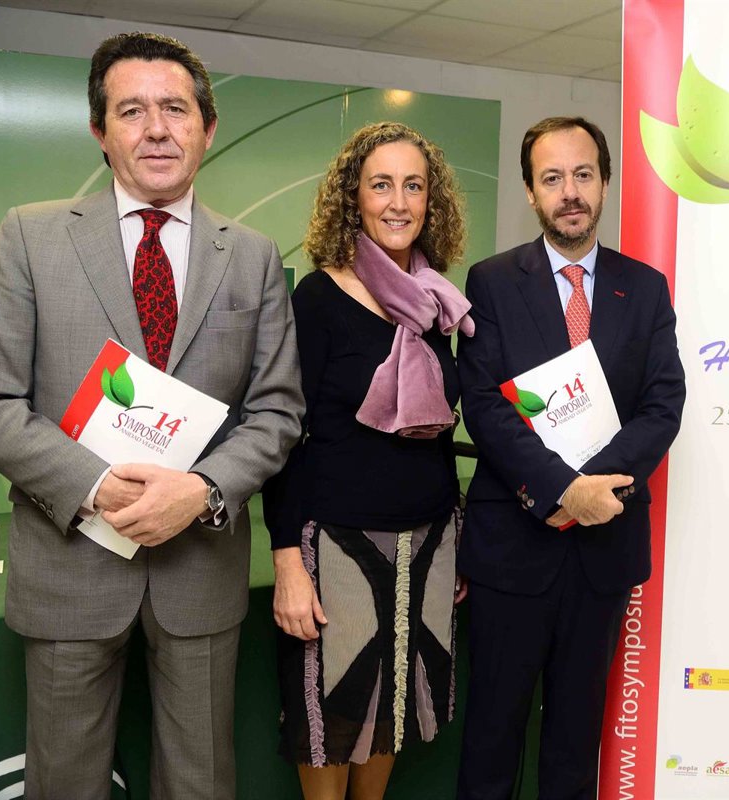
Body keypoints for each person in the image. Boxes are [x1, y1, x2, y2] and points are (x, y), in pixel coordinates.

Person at [0, 31, 304, 800]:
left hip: (199, 571)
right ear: (99, 131)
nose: (157, 129)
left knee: (199, 784)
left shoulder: (252, 255)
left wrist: (201, 491)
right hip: (70, 566)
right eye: (132, 110)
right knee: (66, 784)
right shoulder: (30, 236)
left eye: (175, 109)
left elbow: (277, 411)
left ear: (208, 128)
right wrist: (94, 484)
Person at [455, 116, 686, 800]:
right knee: (492, 739)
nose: (570, 192)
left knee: (576, 745)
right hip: (512, 550)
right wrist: (562, 489)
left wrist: (593, 488)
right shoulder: (492, 282)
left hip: (602, 552)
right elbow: (484, 405)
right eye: (552, 178)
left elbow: (663, 403)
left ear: (605, 183)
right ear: (531, 192)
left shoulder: (645, 288)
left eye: (583, 174)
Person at [264, 121, 471, 800]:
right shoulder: (318, 298)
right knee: (333, 714)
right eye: (381, 185)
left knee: (393, 711)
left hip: (427, 542)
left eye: (414, 185)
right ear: (353, 197)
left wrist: (455, 541)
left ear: (431, 200)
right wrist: (288, 563)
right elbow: (285, 436)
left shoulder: (436, 301)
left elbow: (437, 434)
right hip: (339, 546)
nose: (398, 202)